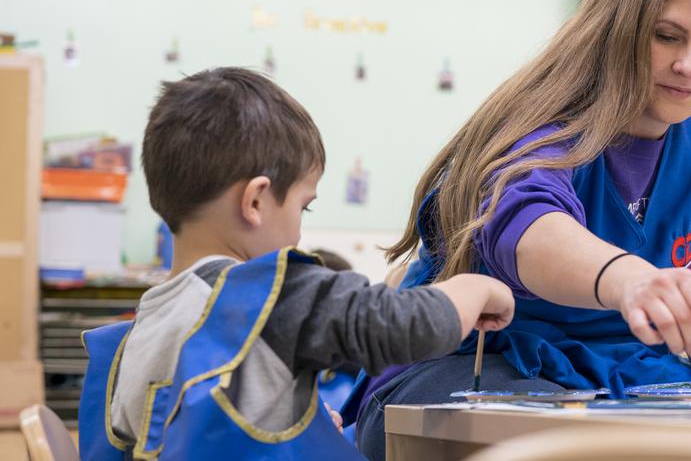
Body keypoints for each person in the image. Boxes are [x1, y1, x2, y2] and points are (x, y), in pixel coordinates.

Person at [351, 0, 691, 459]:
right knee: (575, 447)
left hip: (620, 375)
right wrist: (627, 280)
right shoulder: (548, 115)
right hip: (466, 363)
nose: (689, 66)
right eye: (666, 36)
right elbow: (525, 225)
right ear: (619, 28)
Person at [77, 67, 515, 460]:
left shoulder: (143, 330)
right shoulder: (269, 293)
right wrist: (474, 288)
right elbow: (401, 326)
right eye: (303, 207)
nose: (300, 231)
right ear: (255, 201)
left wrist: (287, 421)